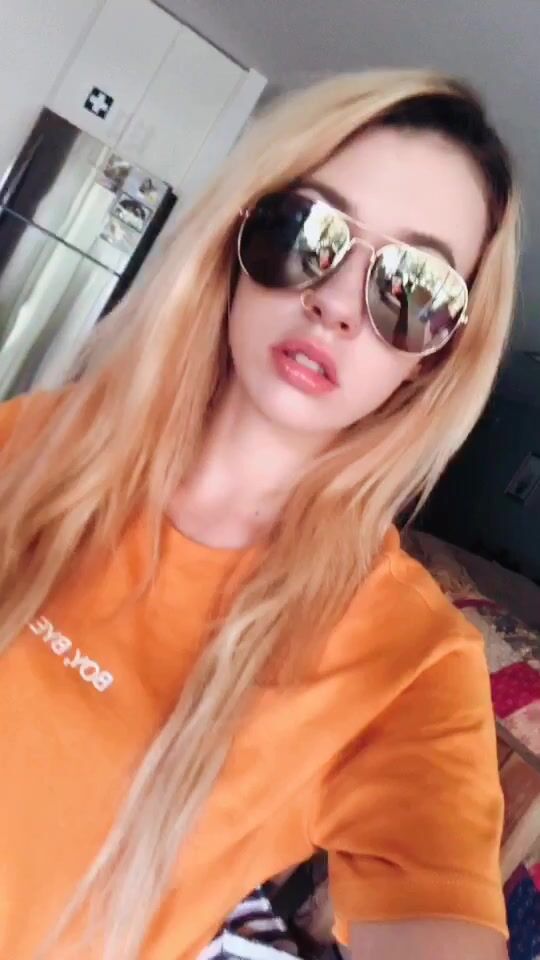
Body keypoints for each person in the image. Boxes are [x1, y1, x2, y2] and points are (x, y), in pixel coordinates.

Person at [0, 69, 518, 960]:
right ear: (238, 235)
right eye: (309, 232)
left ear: (435, 358)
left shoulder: (410, 665)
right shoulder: (42, 440)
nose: (337, 304)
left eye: (412, 286)